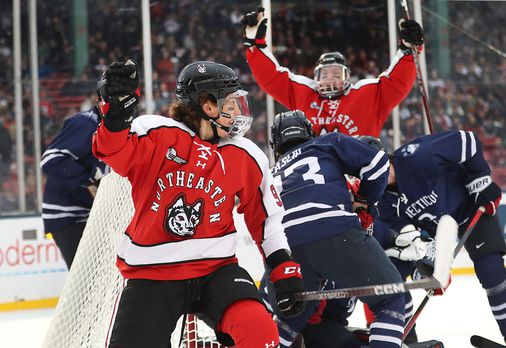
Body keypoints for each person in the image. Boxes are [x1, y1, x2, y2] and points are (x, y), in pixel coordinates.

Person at [92, 60, 305, 348]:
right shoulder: (156, 133)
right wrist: (115, 118)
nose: (236, 111)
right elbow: (113, 152)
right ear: (207, 105)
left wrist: (282, 265)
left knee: (260, 332)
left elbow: (265, 218)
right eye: (229, 103)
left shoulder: (245, 154)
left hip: (217, 271)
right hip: (152, 274)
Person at [263, 109, 405, 348]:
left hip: (284, 246)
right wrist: (365, 199)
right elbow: (379, 162)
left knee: (288, 320)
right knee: (390, 298)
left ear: (275, 143)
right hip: (333, 230)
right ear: (309, 132)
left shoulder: (269, 173)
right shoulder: (326, 142)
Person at [376, 130, 506, 341]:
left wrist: (480, 179)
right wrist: (428, 266)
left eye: (379, 168)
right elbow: (406, 235)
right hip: (438, 229)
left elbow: (467, 141)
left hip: (471, 207)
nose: (377, 176)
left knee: (491, 272)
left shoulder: (416, 156)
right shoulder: (382, 200)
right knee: (393, 274)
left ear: (386, 158)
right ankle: (407, 341)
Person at [241, 8, 424, 137]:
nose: (330, 79)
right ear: (315, 77)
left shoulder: (366, 95)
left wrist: (408, 50)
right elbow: (272, 78)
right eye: (325, 74)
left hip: (361, 183)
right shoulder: (305, 94)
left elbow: (396, 82)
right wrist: (255, 46)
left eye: (336, 74)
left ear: (347, 78)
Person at [41, 106, 109, 269]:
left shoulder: (115, 127)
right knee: (88, 280)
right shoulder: (85, 124)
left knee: (101, 278)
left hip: (92, 213)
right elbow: (51, 160)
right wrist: (89, 179)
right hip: (68, 214)